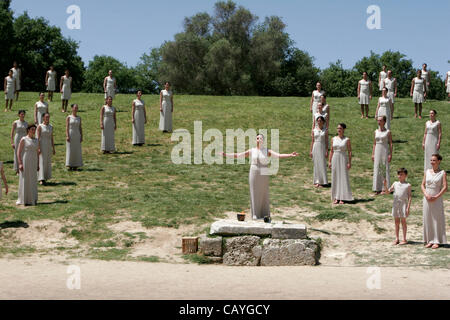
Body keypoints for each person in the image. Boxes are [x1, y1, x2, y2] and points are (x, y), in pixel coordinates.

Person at [220, 134, 298, 222]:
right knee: (254, 192)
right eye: (257, 138)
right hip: (254, 171)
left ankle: (265, 214)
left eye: (260, 138)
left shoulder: (267, 150)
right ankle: (255, 214)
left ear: (263, 140)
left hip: (264, 172)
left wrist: (290, 155)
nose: (259, 139)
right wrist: (225, 154)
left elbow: (278, 155)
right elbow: (238, 155)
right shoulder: (252, 150)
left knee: (264, 192)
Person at [421, 154, 447, 249]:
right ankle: (429, 240)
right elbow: (422, 185)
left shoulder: (442, 173)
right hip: (427, 198)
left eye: (434, 160)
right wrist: (426, 194)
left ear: (439, 161)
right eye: (431, 160)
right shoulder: (427, 171)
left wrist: (436, 196)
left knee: (436, 219)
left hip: (437, 199)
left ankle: (437, 240)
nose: (432, 162)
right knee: (427, 218)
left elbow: (445, 187)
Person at [383, 168, 412, 245]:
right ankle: (397, 238)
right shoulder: (395, 183)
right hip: (396, 204)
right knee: (396, 222)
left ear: (405, 175)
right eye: (398, 174)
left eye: (401, 174)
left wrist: (408, 207)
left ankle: (404, 239)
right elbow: (387, 192)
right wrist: (385, 185)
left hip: (403, 204)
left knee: (403, 221)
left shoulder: (408, 185)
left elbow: (409, 197)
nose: (399, 176)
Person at [329, 123, 353, 204]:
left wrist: (349, 162)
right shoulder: (333, 139)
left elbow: (349, 151)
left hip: (343, 158)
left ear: (343, 129)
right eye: (338, 128)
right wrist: (329, 161)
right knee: (335, 177)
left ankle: (342, 197)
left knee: (343, 177)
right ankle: (336, 197)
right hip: (335, 158)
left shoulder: (347, 139)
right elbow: (331, 151)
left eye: (340, 128)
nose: (339, 130)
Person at [16, 124, 39, 206]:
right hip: (26, 160)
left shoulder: (36, 140)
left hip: (34, 160)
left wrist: (38, 164)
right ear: (28, 130)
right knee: (25, 178)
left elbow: (37, 153)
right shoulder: (24, 139)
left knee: (33, 179)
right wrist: (20, 163)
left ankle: (32, 198)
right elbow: (18, 152)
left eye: (34, 130)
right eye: (32, 129)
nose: (33, 131)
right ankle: (24, 199)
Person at [372, 116, 393, 195]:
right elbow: (374, 143)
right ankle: (377, 188)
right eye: (378, 120)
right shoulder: (376, 131)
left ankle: (385, 188)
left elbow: (391, 143)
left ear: (384, 122)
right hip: (377, 150)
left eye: (380, 120)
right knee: (377, 168)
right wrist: (373, 153)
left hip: (384, 151)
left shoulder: (388, 132)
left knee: (384, 168)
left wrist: (390, 154)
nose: (379, 122)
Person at [310, 116, 328, 188]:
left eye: (320, 121)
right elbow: (312, 141)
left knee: (322, 164)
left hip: (322, 146)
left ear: (323, 122)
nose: (319, 122)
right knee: (316, 164)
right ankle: (317, 181)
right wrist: (311, 151)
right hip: (315, 146)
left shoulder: (325, 130)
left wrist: (327, 150)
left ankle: (322, 181)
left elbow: (327, 141)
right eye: (318, 121)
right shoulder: (314, 130)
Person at [37, 113, 55, 185]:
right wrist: (38, 147)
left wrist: (53, 148)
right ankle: (41, 178)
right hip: (42, 144)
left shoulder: (51, 126)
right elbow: (38, 138)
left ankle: (46, 176)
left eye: (48, 117)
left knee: (47, 161)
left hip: (48, 145)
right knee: (42, 161)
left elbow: (52, 138)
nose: (47, 118)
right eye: (46, 117)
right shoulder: (40, 126)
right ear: (43, 118)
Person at [66, 104, 83, 170]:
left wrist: (81, 136)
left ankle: (76, 164)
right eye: (75, 108)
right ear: (72, 109)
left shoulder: (79, 118)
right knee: (70, 149)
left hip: (77, 134)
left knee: (76, 149)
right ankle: (70, 164)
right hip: (71, 133)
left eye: (77, 108)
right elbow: (67, 127)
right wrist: (67, 135)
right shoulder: (69, 117)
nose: (76, 109)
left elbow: (80, 127)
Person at [10, 110, 28, 174]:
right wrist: (12, 142)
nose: (22, 115)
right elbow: (12, 132)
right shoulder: (15, 122)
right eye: (21, 114)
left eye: (23, 114)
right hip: (17, 138)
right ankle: (17, 169)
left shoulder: (26, 123)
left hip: (24, 138)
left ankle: (23, 167)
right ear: (19, 115)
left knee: (23, 152)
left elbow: (27, 132)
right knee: (17, 152)